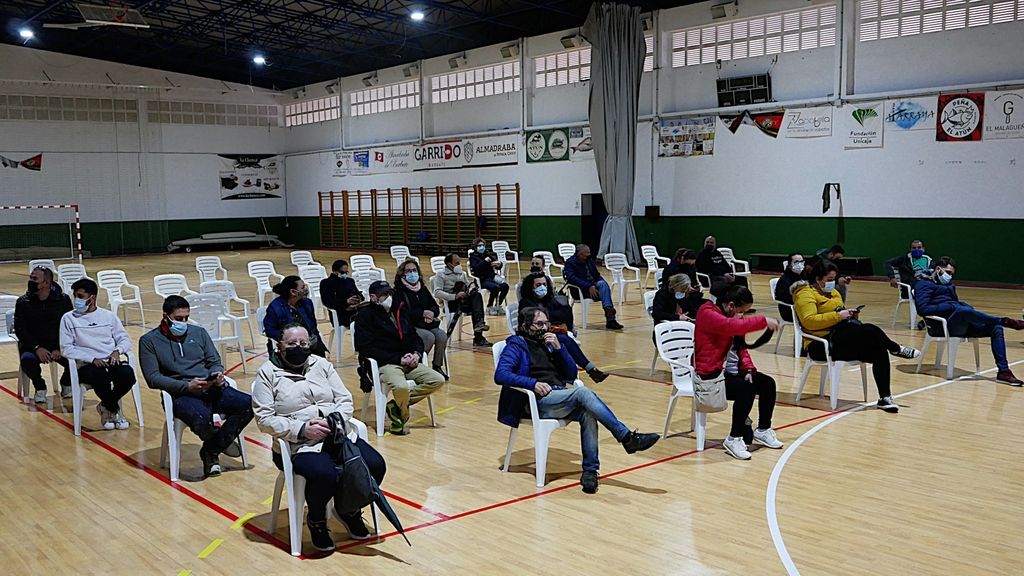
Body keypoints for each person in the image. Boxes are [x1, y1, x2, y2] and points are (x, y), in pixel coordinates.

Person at [494, 307, 660, 494]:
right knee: (583, 394)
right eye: (539, 324)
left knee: (588, 412)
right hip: (536, 402)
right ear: (526, 326)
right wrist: (532, 383)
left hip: (558, 396)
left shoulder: (549, 343)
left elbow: (571, 374)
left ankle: (590, 471)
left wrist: (559, 349)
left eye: (546, 323)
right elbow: (501, 375)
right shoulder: (516, 345)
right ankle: (627, 437)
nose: (545, 327)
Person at [251, 323, 386, 551]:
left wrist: (332, 421)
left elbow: (344, 400)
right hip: (297, 444)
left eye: (303, 343)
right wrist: (302, 429)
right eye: (292, 343)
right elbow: (264, 419)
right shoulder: (267, 372)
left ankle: (347, 508)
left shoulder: (321, 364)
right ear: (279, 345)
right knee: (324, 473)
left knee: (375, 464)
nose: (299, 348)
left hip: (334, 435)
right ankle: (317, 520)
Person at [139, 296, 253, 477]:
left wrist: (217, 374)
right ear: (166, 316)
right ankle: (216, 447)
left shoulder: (199, 333)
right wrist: (186, 386)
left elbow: (214, 361)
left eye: (186, 318)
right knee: (200, 416)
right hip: (180, 394)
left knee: (249, 404)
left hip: (210, 388)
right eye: (178, 319)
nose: (183, 322)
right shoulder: (149, 341)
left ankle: (211, 449)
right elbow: (152, 378)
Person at [792, 261, 920, 413]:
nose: (832, 282)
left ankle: (885, 398)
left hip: (841, 337)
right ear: (818, 278)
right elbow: (809, 321)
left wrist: (849, 315)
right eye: (829, 279)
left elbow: (839, 313)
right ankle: (896, 348)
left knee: (878, 350)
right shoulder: (804, 294)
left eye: (834, 278)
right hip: (820, 344)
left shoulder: (834, 293)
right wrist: (838, 316)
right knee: (870, 329)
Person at [694, 286, 783, 460]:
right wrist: (763, 321)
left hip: (730, 373)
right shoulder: (707, 313)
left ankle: (763, 429)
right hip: (710, 375)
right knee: (746, 390)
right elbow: (729, 327)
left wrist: (748, 369)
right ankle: (734, 438)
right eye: (742, 311)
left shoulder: (730, 316)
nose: (742, 316)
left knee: (767, 383)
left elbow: (741, 350)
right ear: (731, 305)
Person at [913, 257, 1024, 385]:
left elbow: (955, 302)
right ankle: (1003, 321)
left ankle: (1003, 372)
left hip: (959, 323)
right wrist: (951, 306)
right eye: (948, 273)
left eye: (952, 274)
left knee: (995, 328)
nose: (949, 276)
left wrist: (959, 305)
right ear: (938, 269)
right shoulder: (923, 285)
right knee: (963, 311)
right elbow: (923, 309)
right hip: (941, 327)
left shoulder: (949, 285)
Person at [354, 280, 446, 435]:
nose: (389, 297)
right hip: (385, 363)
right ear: (373, 297)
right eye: (384, 295)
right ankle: (402, 416)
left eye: (389, 293)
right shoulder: (365, 316)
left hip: (408, 359)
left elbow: (415, 337)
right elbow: (365, 348)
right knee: (401, 387)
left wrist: (416, 353)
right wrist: (398, 359)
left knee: (437, 380)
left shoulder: (399, 311)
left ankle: (395, 407)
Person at [59, 278, 135, 430]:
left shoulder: (108, 316)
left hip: (110, 361)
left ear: (92, 298)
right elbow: (66, 349)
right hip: (87, 365)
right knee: (100, 377)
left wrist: (117, 351)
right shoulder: (68, 319)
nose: (77, 300)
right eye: (76, 296)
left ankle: (106, 406)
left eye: (80, 296)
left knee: (128, 375)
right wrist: (91, 359)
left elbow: (125, 339)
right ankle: (114, 410)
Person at [518, 272, 609, 383]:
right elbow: (542, 319)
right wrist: (552, 315)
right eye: (538, 285)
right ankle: (591, 370)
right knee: (565, 340)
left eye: (544, 284)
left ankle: (589, 370)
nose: (542, 287)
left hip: (549, 332)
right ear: (530, 288)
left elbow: (565, 312)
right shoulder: (526, 303)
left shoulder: (549, 299)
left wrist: (552, 316)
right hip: (533, 337)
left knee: (564, 339)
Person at [14, 266, 73, 403]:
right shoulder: (23, 302)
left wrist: (60, 347)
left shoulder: (63, 300)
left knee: (78, 359)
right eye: (31, 278)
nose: (31, 282)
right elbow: (20, 329)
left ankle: (66, 382)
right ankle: (40, 386)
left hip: (58, 345)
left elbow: (69, 327)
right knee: (27, 361)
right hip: (33, 346)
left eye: (35, 279)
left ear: (46, 283)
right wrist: (36, 347)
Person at [394, 259, 448, 379]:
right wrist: (422, 313)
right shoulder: (399, 291)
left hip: (427, 324)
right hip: (410, 325)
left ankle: (437, 366)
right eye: (408, 271)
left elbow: (434, 306)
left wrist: (431, 313)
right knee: (428, 337)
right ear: (402, 274)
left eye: (414, 270)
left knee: (441, 335)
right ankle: (418, 365)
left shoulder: (422, 288)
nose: (412, 273)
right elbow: (402, 312)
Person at [434, 252, 491, 347]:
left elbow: (467, 285)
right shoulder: (441, 275)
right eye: (457, 263)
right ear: (449, 264)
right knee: (475, 307)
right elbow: (437, 292)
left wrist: (472, 287)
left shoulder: (462, 273)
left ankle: (479, 326)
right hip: (452, 303)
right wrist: (455, 296)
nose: (459, 265)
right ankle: (478, 337)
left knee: (476, 296)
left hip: (464, 301)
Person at [562, 244, 623, 330]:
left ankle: (609, 314)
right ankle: (610, 318)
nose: (589, 255)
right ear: (580, 254)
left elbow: (597, 275)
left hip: (594, 287)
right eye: (587, 253)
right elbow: (571, 278)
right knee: (604, 292)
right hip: (580, 290)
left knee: (603, 284)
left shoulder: (589, 261)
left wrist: (598, 284)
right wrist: (588, 286)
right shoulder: (570, 263)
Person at [264, 275, 326, 357]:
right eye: (303, 287)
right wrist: (289, 338)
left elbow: (313, 326)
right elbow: (270, 330)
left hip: (309, 342)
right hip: (289, 345)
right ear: (293, 292)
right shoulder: (275, 307)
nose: (306, 289)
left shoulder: (307, 303)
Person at [469, 237, 510, 315]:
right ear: (475, 247)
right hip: (482, 279)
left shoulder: (487, 254)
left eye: (483, 245)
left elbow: (496, 264)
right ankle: (489, 306)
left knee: (505, 286)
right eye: (479, 245)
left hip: (492, 277)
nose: (482, 247)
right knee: (495, 287)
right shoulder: (473, 257)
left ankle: (498, 305)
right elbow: (476, 269)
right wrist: (485, 261)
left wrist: (499, 264)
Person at [319, 259, 362, 330]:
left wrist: (358, 298)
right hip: (339, 314)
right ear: (334, 271)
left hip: (354, 310)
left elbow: (358, 293)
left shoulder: (350, 281)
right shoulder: (326, 283)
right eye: (342, 272)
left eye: (346, 272)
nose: (344, 274)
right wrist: (346, 302)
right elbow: (328, 302)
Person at [774, 253, 805, 322]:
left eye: (801, 262)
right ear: (790, 265)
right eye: (796, 262)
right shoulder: (784, 280)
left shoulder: (804, 276)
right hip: (790, 311)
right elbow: (783, 298)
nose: (800, 264)